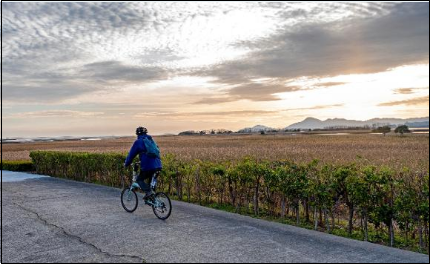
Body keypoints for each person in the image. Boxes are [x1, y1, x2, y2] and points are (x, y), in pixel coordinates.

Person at [124, 126, 162, 200]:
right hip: (158, 165)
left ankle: (149, 193)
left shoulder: (138, 142)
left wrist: (126, 163)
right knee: (151, 182)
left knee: (139, 180)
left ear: (137, 134)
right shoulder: (151, 140)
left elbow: (131, 155)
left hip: (148, 166)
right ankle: (153, 198)